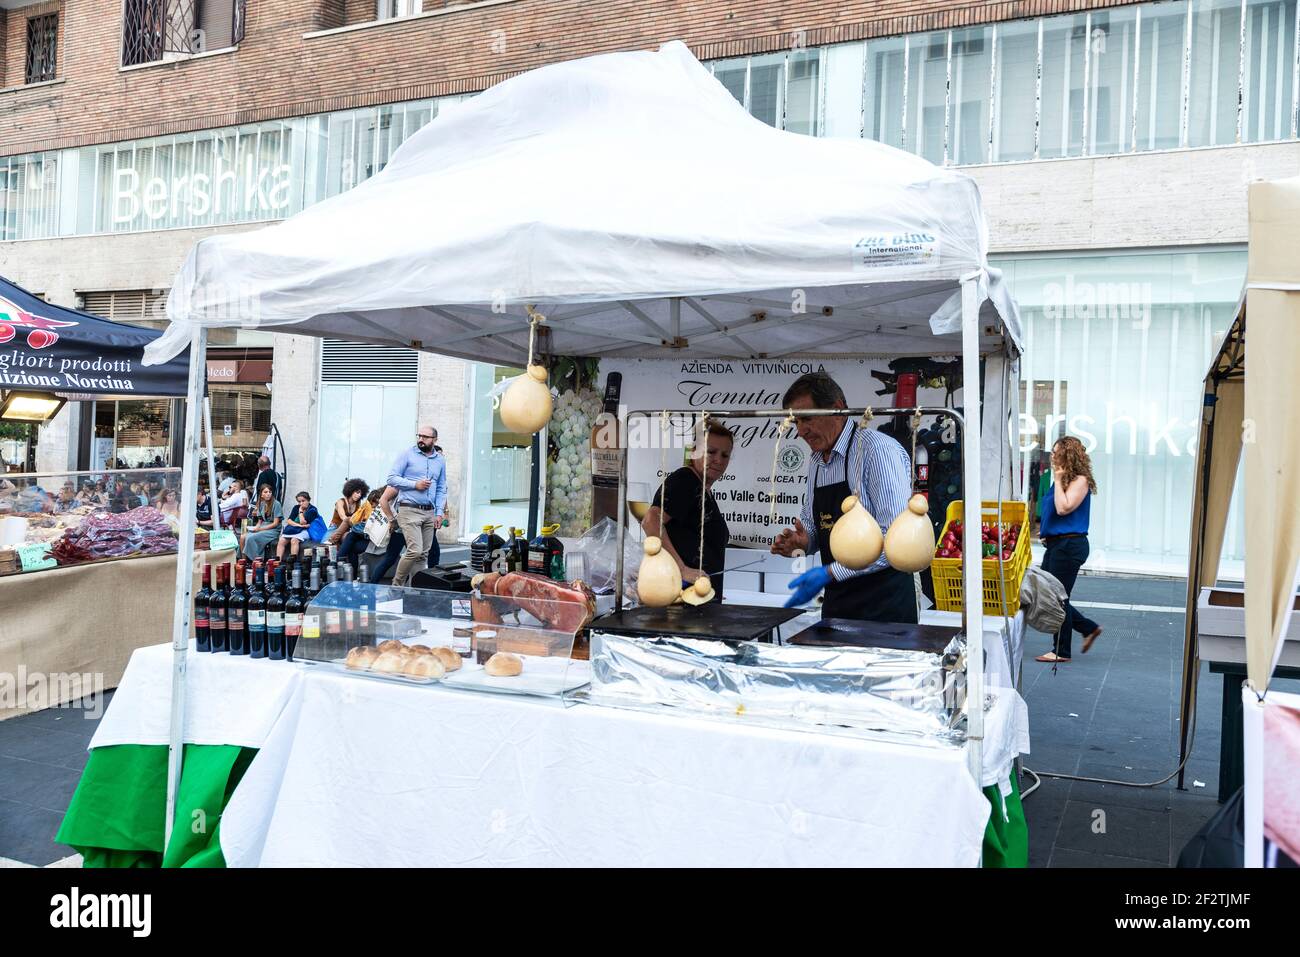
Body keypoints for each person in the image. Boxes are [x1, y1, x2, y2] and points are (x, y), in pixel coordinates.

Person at [772, 372, 915, 623]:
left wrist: (830, 572)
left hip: (883, 606)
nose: (801, 430)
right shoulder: (817, 460)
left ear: (837, 409)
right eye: (795, 422)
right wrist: (803, 541)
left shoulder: (877, 450)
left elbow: (895, 540)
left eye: (807, 418)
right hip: (838, 604)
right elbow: (815, 524)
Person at [642, 420, 733, 598]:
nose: (718, 460)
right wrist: (682, 570)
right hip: (682, 601)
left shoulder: (700, 488)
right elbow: (650, 521)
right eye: (711, 452)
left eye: (725, 455)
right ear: (694, 452)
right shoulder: (685, 480)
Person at [1035, 435, 1103, 663]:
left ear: (1067, 454)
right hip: (1057, 544)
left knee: (1056, 597)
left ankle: (1061, 650)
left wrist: (1057, 475)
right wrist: (1046, 531)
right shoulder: (1062, 481)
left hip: (1070, 545)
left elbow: (1064, 508)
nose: (1052, 456)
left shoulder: (1080, 480)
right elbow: (1053, 511)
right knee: (1048, 593)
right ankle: (1088, 628)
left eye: (1056, 452)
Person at [386, 425, 448, 586]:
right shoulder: (407, 454)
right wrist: (415, 485)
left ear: (434, 439)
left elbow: (441, 487)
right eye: (419, 436)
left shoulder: (440, 460)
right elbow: (392, 478)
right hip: (408, 509)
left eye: (425, 437)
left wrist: (439, 513)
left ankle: (415, 589)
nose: (421, 439)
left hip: (429, 512)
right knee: (415, 550)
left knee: (423, 555)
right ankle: (397, 585)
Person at [372, 484, 442, 582]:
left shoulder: (429, 480)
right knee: (395, 557)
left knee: (428, 554)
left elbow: (441, 494)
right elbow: (383, 500)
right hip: (403, 527)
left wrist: (443, 513)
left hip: (421, 524)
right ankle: (377, 584)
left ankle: (425, 585)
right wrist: (392, 520)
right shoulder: (402, 480)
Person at [331, 486, 377, 574]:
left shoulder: (359, 505)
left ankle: (339, 565)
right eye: (356, 492)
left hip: (351, 531)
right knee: (347, 521)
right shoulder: (341, 502)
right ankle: (333, 541)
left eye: (360, 493)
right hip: (336, 528)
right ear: (350, 491)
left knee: (348, 537)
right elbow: (343, 517)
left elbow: (359, 520)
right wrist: (353, 521)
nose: (358, 495)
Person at [242, 483, 284, 560]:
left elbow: (275, 523)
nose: (268, 494)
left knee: (251, 538)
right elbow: (260, 520)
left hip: (273, 530)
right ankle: (244, 560)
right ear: (261, 494)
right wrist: (256, 527)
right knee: (243, 537)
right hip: (263, 527)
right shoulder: (261, 504)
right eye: (265, 492)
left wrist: (260, 529)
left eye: (270, 492)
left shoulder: (276, 504)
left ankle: (256, 560)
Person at [277, 491, 320, 560]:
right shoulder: (296, 507)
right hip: (296, 529)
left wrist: (300, 511)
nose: (301, 503)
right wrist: (298, 525)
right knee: (281, 540)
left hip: (307, 531)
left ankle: (292, 562)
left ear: (308, 500)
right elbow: (289, 520)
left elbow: (303, 522)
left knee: (294, 540)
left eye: (303, 501)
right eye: (299, 501)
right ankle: (278, 561)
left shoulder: (312, 510)